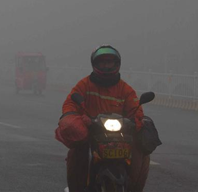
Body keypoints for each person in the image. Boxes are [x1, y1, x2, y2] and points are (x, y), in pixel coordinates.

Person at [58, 44, 150, 192]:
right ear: (95, 64)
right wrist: (74, 116)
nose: (106, 66)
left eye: (110, 62)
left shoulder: (125, 89)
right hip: (92, 132)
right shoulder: (84, 85)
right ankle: (78, 187)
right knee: (77, 152)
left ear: (116, 64)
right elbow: (70, 103)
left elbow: (135, 109)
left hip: (120, 135)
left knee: (143, 150)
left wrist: (136, 121)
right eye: (103, 62)